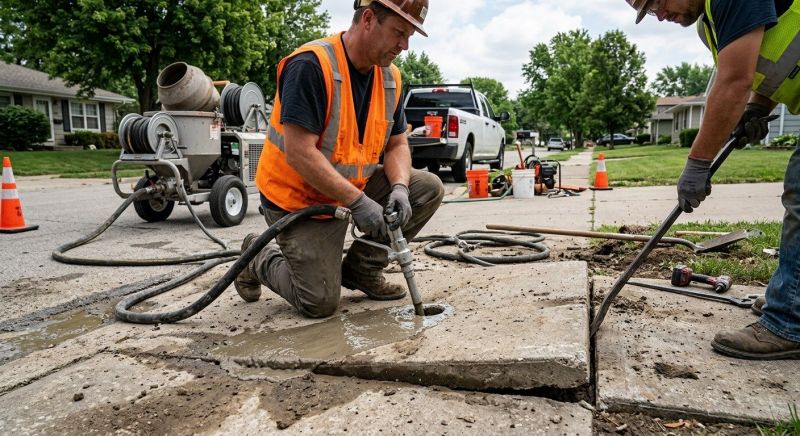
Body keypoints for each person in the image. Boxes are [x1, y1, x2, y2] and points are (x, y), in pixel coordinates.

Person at [234, 0, 444, 319]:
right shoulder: (311, 65)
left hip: (347, 191)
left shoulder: (391, 80)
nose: (404, 45)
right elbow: (300, 152)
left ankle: (361, 270)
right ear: (369, 19)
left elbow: (397, 144)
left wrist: (399, 188)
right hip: (297, 201)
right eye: (399, 32)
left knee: (426, 187)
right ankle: (257, 253)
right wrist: (358, 202)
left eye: (410, 35)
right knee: (319, 303)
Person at [627, 0, 800, 359]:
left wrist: (697, 163)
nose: (659, 14)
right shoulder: (711, 23)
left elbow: (733, 82)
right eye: (648, 11)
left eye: (656, 2)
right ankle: (792, 298)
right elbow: (766, 66)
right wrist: (758, 107)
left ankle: (789, 322)